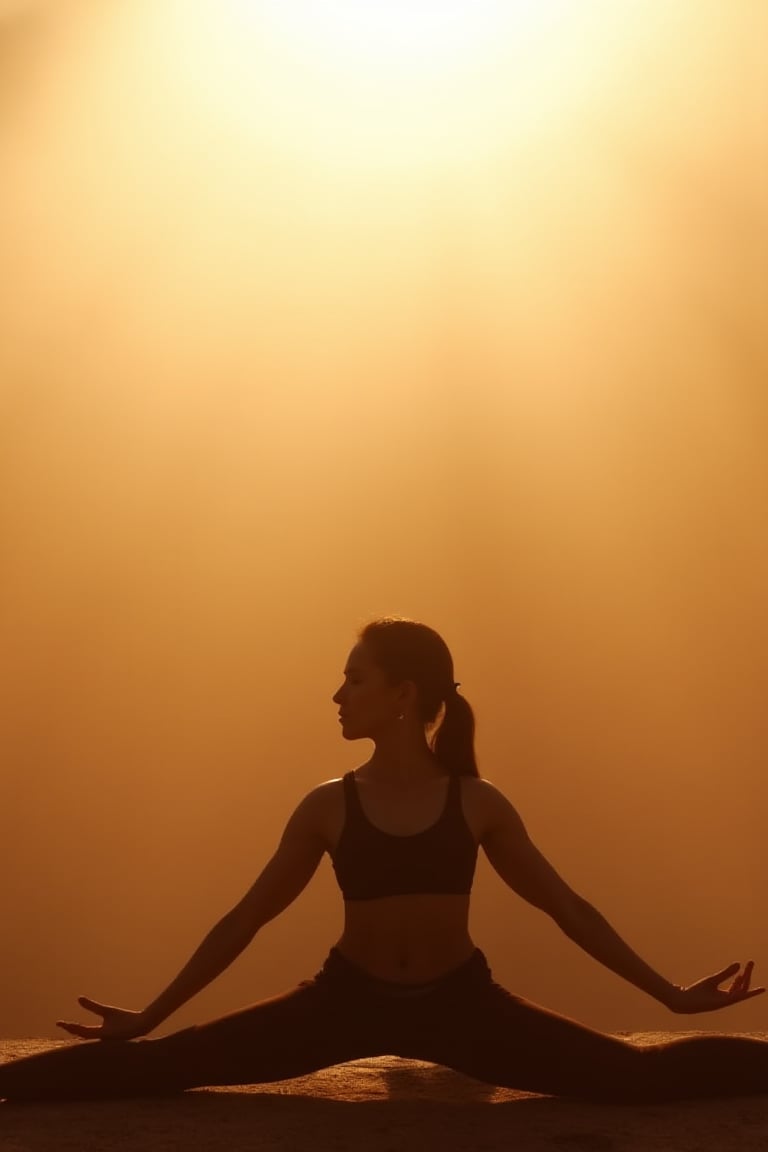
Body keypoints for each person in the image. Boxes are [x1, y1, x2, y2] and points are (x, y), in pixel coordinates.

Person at [1, 616, 766, 1105]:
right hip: (341, 1005)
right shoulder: (328, 804)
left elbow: (568, 909)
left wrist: (671, 997)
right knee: (153, 1070)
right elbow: (247, 918)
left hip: (465, 1009)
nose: (337, 694)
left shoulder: (478, 801)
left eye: (354, 679)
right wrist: (151, 1015)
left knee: (640, 1079)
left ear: (403, 695)